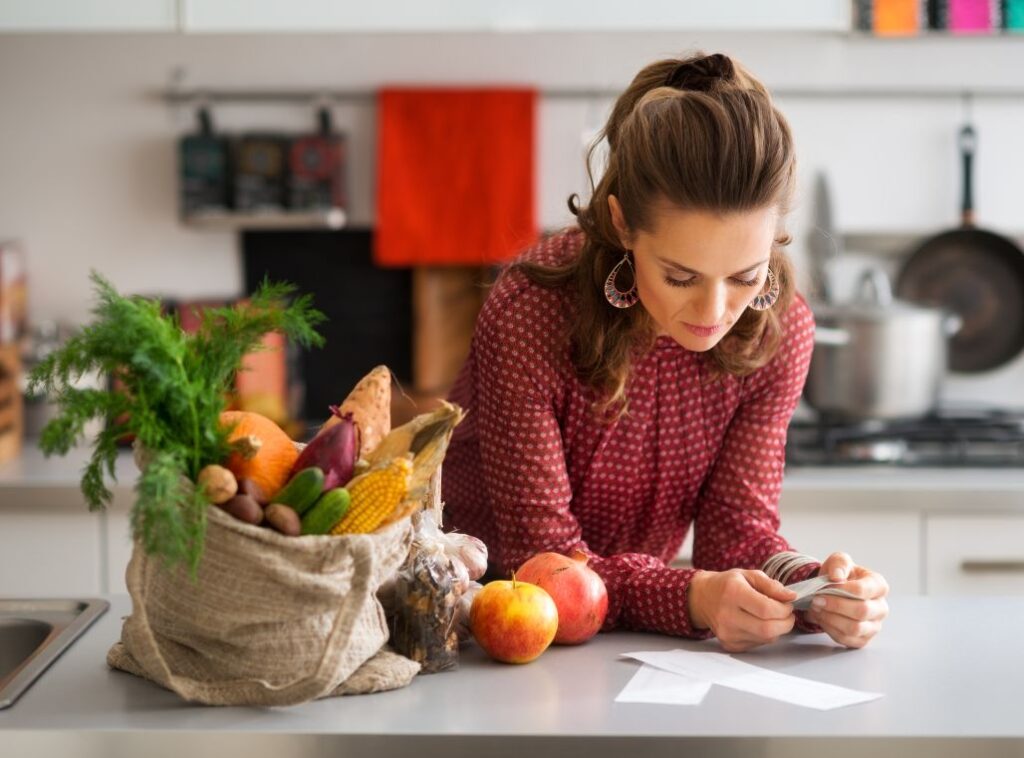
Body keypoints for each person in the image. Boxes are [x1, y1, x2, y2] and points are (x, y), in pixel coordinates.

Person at [441, 52, 889, 652]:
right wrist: (693, 597)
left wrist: (814, 591)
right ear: (622, 223)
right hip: (479, 627)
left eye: (745, 276)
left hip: (627, 639)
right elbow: (542, 563)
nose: (714, 312)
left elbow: (736, 534)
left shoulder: (778, 333)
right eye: (681, 277)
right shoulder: (530, 314)